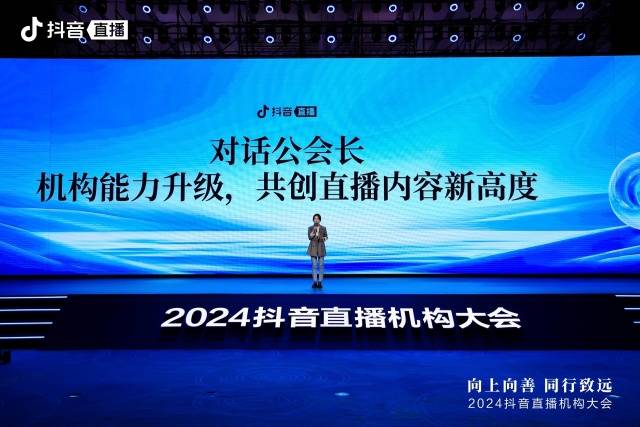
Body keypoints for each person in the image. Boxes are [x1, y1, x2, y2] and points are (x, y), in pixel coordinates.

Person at [307, 213, 327, 289]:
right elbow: (309, 237)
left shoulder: (323, 228)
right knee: (314, 266)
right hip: (313, 248)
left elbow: (326, 237)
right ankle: (315, 282)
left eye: (317, 218)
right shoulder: (310, 228)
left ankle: (320, 282)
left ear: (320, 220)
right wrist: (312, 234)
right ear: (313, 220)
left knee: (321, 266)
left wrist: (321, 236)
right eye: (315, 218)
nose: (316, 220)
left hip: (321, 247)